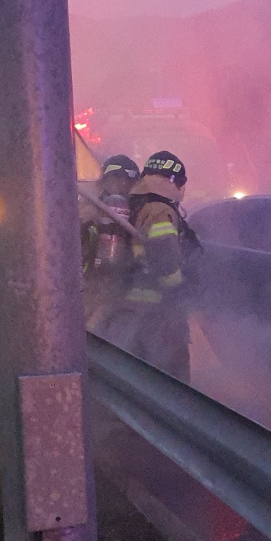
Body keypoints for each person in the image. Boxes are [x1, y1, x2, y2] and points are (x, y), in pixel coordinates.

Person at [110, 150, 194, 381]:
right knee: (172, 379)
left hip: (126, 307)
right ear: (174, 181)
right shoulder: (160, 210)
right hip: (156, 312)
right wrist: (180, 288)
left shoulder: (133, 201)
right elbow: (164, 257)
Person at [79, 154, 140, 331]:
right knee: (91, 327)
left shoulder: (90, 203)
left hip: (104, 281)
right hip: (95, 281)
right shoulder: (88, 207)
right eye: (115, 180)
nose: (122, 187)